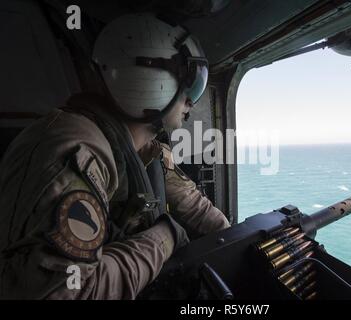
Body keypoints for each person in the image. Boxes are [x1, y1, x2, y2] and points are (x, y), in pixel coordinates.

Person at [0, 13, 230, 299]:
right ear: (150, 79)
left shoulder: (141, 146)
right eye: (191, 85)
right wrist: (165, 236)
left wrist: (232, 239)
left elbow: (187, 198)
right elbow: (72, 292)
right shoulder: (74, 153)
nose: (191, 102)